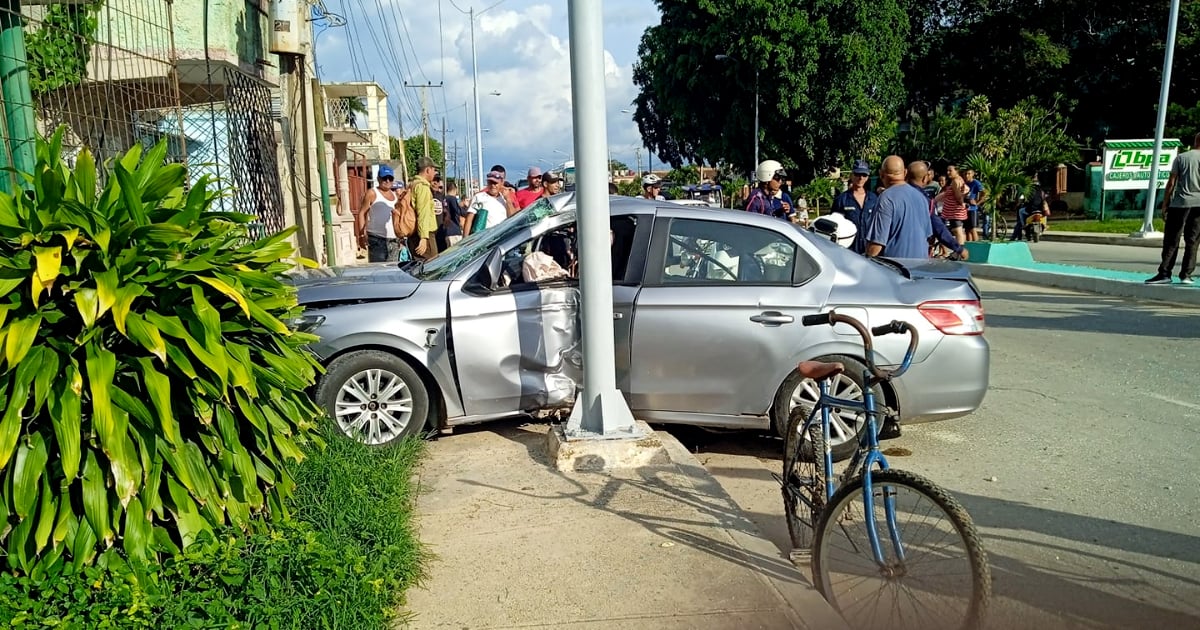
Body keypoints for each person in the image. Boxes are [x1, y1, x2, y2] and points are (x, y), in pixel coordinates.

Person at [1147, 131, 1200, 285]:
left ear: (1195, 141)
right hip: (1199, 205)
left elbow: (1171, 183)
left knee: (1172, 239)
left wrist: (1165, 204)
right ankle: (1186, 275)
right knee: (1193, 240)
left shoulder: (1182, 157)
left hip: (1180, 204)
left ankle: (1164, 273)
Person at [865, 156, 932, 259]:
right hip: (920, 266)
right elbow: (927, 236)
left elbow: (876, 245)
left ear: (881, 174)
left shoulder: (886, 199)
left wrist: (865, 260)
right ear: (905, 173)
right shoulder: (921, 198)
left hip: (894, 269)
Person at [909, 161, 966, 260]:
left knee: (957, 230)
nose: (948, 172)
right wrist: (959, 249)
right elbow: (938, 228)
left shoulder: (889, 194)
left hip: (890, 255)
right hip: (917, 252)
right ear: (925, 178)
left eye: (950, 170)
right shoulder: (925, 200)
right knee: (957, 230)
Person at [357, 165, 406, 262]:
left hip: (393, 241)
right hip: (376, 239)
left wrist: (401, 236)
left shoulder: (395, 195)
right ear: (378, 179)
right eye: (384, 178)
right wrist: (362, 235)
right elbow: (362, 213)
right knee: (378, 271)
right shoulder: (372, 193)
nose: (387, 181)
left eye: (390, 178)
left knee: (392, 272)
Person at [831, 159, 878, 254]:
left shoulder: (874, 199)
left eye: (864, 175)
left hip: (869, 252)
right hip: (848, 251)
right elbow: (834, 227)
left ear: (867, 177)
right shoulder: (841, 199)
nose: (860, 178)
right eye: (857, 174)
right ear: (852, 175)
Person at [407, 156, 439, 261]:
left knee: (418, 267)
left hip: (414, 231)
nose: (434, 173)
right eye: (434, 170)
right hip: (424, 233)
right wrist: (424, 238)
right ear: (427, 170)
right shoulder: (423, 187)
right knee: (431, 267)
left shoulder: (412, 184)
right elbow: (423, 213)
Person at [464, 170, 509, 236]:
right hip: (484, 239)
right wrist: (465, 240)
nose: (493, 185)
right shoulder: (479, 197)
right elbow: (469, 219)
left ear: (501, 183)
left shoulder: (504, 199)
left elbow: (513, 217)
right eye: (490, 182)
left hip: (502, 238)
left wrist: (508, 200)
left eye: (495, 183)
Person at [963, 168, 987, 241]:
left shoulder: (976, 183)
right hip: (965, 208)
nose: (967, 175)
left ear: (972, 174)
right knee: (967, 229)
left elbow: (985, 193)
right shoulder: (964, 183)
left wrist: (977, 202)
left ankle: (976, 244)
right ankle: (969, 246)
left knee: (973, 229)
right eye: (966, 174)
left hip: (972, 209)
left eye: (969, 173)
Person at [443, 181, 465, 248]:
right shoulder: (452, 198)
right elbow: (457, 210)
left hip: (447, 231)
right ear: (455, 189)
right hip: (454, 230)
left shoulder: (444, 199)